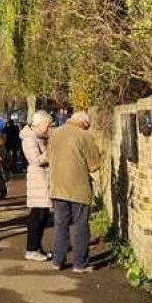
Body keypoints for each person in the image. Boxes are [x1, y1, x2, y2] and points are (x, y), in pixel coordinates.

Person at [47, 111, 102, 273]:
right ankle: (79, 264)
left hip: (58, 186)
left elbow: (49, 157)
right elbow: (94, 164)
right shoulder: (84, 136)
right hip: (78, 187)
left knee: (60, 225)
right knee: (80, 225)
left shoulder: (55, 134)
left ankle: (58, 261)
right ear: (84, 123)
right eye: (88, 125)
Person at [21, 110, 53, 262]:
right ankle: (31, 249)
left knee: (43, 215)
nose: (49, 128)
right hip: (38, 180)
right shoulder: (30, 138)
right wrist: (51, 152)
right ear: (39, 124)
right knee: (37, 216)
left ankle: (37, 247)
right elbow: (35, 160)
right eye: (47, 125)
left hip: (44, 180)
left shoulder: (41, 135)